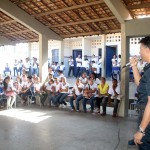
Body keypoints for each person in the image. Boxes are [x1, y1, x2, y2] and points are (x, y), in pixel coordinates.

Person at [128, 36, 150, 149]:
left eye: (141, 49)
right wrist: (134, 66)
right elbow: (140, 84)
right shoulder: (148, 68)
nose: (139, 52)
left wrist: (141, 130)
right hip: (143, 113)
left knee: (144, 144)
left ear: (147, 50)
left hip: (147, 116)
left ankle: (141, 136)